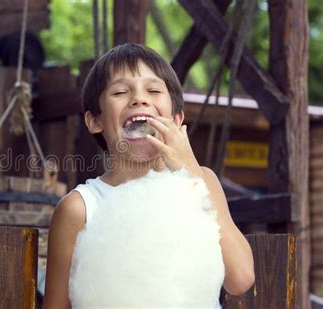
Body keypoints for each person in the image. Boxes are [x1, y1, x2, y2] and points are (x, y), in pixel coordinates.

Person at [42, 43, 255, 308]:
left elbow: (241, 278)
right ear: (94, 121)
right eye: (120, 91)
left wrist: (190, 171)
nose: (139, 99)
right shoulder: (80, 208)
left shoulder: (202, 183)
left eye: (153, 90)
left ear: (176, 120)